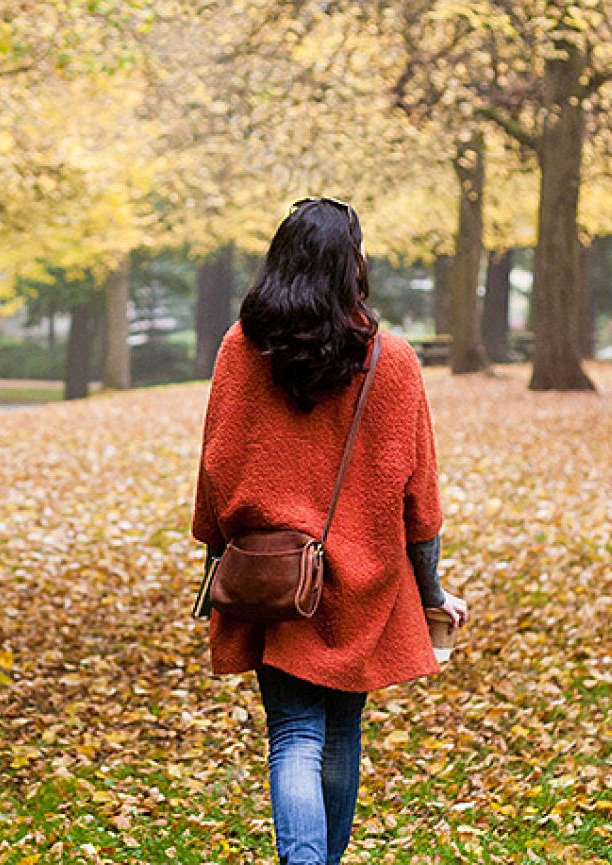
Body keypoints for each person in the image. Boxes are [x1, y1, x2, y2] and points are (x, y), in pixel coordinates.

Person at [190, 197, 469, 865]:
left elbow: (216, 465)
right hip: (364, 577)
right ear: (354, 265)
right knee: (340, 731)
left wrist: (213, 558)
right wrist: (430, 587)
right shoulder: (390, 360)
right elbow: (418, 493)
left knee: (293, 732)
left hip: (272, 574)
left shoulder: (240, 348)